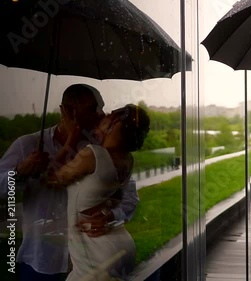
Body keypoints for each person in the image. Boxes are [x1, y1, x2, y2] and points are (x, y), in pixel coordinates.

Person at [0, 84, 139, 281]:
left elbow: (130, 196)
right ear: (67, 111)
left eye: (102, 107)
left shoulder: (101, 152)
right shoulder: (28, 145)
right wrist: (18, 173)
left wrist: (110, 215)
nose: (101, 114)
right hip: (42, 261)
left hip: (91, 260)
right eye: (93, 108)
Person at [46, 104, 150, 280]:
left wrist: (71, 139)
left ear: (113, 124)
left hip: (95, 251)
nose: (101, 120)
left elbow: (53, 179)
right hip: (120, 245)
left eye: (107, 117)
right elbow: (121, 199)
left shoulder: (92, 154)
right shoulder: (127, 159)